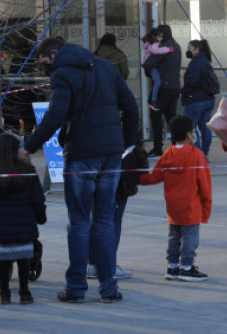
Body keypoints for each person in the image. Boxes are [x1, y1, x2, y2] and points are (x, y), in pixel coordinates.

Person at [20, 37, 139, 304]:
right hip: (111, 155)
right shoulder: (107, 67)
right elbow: (131, 106)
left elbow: (55, 116)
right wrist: (127, 144)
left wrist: (29, 146)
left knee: (80, 224)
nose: (45, 70)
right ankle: (109, 288)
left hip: (82, 154)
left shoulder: (63, 74)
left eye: (44, 63)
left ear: (53, 53)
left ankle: (76, 287)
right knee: (105, 221)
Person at [139, 116, 212, 282]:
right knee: (190, 239)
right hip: (191, 207)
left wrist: (139, 178)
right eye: (193, 132)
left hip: (173, 206)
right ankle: (187, 267)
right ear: (188, 135)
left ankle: (172, 267)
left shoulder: (168, 154)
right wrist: (206, 210)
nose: (194, 134)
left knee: (173, 237)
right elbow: (205, 185)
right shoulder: (196, 155)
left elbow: (155, 177)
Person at [89, 34, 138, 280]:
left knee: (91, 215)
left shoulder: (90, 91)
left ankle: (90, 262)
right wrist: (131, 147)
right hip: (114, 163)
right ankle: (107, 265)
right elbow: (132, 115)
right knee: (111, 217)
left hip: (89, 161)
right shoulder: (118, 65)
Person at [0, 133, 46, 304]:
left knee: (4, 260)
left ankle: (4, 293)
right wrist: (41, 217)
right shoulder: (28, 172)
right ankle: (24, 293)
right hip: (25, 224)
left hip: (3, 225)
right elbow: (38, 199)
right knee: (24, 260)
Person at [145, 25, 182, 157]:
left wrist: (151, 73)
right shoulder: (176, 46)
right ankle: (176, 148)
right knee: (171, 118)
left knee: (155, 118)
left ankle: (157, 148)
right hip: (175, 87)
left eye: (159, 35)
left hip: (162, 89)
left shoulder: (162, 47)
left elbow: (148, 64)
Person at [181, 39, 216, 158]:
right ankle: (204, 153)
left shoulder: (196, 63)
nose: (188, 51)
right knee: (205, 127)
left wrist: (183, 91)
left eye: (190, 48)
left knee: (191, 128)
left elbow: (192, 82)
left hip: (195, 100)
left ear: (196, 49)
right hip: (208, 99)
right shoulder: (206, 61)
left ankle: (198, 155)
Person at [140, 27, 174, 112]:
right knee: (158, 82)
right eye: (160, 37)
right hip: (152, 66)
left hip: (150, 66)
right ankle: (153, 101)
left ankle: (153, 99)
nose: (161, 39)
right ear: (154, 37)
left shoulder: (150, 43)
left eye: (162, 37)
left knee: (156, 82)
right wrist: (168, 49)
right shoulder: (154, 44)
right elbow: (157, 51)